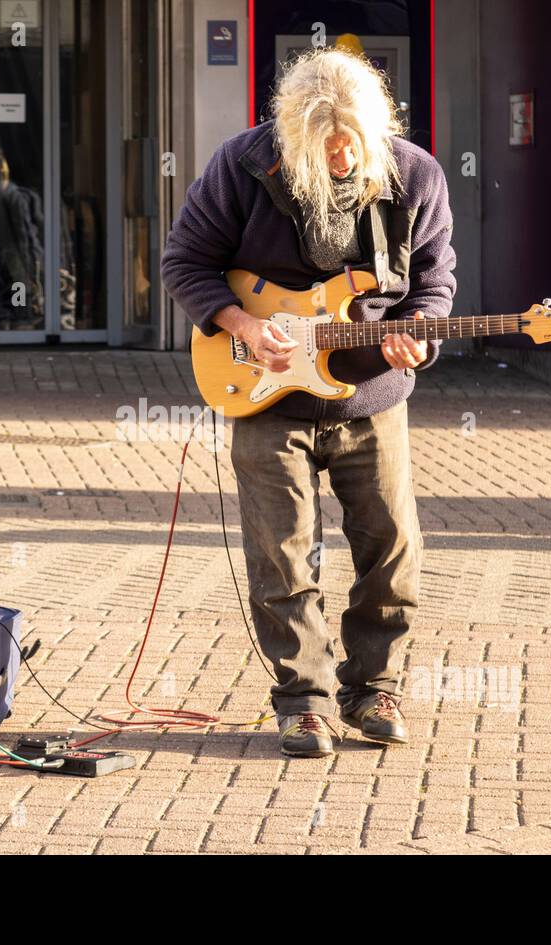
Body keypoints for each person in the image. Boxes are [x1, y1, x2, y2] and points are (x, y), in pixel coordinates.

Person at [160, 46, 456, 757]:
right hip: (264, 398)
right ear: (292, 135)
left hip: (371, 394)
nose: (342, 156)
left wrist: (417, 338)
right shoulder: (241, 166)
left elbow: (432, 284)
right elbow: (185, 260)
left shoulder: (414, 174)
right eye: (324, 147)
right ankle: (304, 702)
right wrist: (240, 323)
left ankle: (374, 686)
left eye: (352, 142)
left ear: (375, 126)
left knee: (391, 548)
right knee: (283, 560)